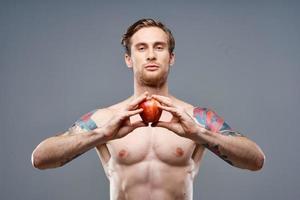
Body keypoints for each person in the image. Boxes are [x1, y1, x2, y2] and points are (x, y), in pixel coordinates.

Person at [31, 18, 265, 200]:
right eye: (141, 48)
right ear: (128, 59)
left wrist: (198, 134)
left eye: (159, 47)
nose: (151, 54)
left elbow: (255, 160)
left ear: (171, 57)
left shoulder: (195, 118)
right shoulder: (106, 118)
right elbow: (40, 158)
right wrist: (102, 134)